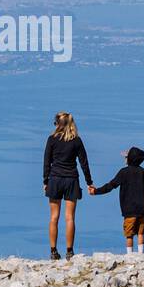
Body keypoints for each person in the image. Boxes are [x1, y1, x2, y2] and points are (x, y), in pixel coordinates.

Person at [90, 146, 144, 252]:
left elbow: (110, 186)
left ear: (129, 159)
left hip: (129, 210)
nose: (125, 158)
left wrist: (96, 191)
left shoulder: (123, 172)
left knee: (129, 235)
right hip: (142, 209)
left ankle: (130, 256)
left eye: (126, 157)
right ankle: (141, 254)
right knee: (140, 233)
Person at [43, 111, 92, 259]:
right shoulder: (76, 140)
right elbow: (84, 163)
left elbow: (47, 162)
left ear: (58, 124)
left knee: (54, 217)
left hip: (55, 179)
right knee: (70, 217)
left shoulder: (51, 139)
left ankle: (53, 251)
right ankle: (69, 251)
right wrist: (89, 182)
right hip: (71, 179)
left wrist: (46, 181)